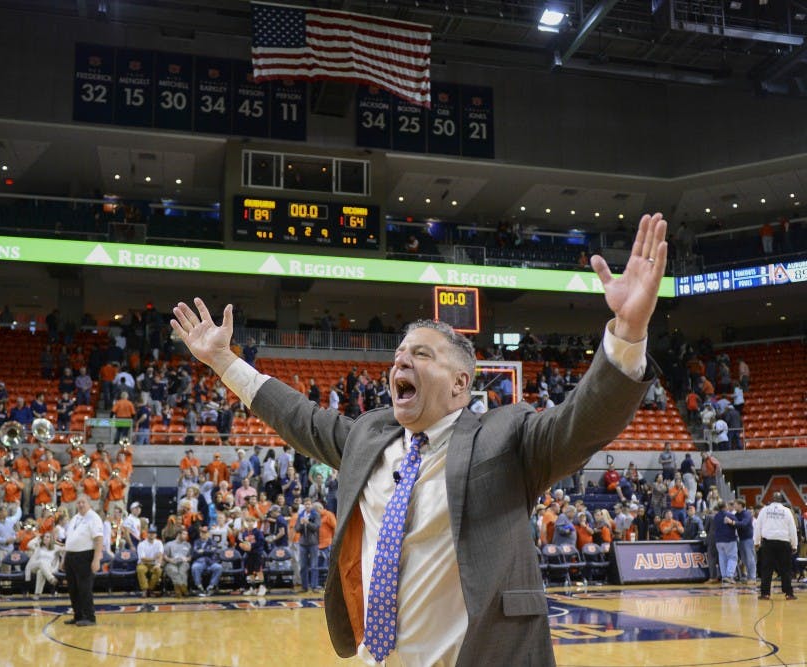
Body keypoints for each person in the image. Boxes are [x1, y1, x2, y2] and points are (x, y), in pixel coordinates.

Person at [169, 214, 666, 665]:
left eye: (422, 354)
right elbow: (298, 416)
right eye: (400, 353)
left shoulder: (506, 435)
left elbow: (585, 421)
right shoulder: (369, 435)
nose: (401, 361)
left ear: (460, 385)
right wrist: (222, 361)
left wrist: (628, 331)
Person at [64, 497, 103, 626]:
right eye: (78, 502)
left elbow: (98, 539)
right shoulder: (75, 518)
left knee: (84, 588)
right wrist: (65, 558)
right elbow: (69, 539)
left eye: (83, 502)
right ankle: (78, 615)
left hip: (85, 556)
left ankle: (89, 617)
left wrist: (96, 559)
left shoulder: (94, 518)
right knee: (73, 588)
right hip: (71, 556)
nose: (80, 505)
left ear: (89, 503)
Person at [754, 493, 798, 600]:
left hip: (768, 543)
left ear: (772, 499)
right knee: (785, 569)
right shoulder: (787, 511)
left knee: (767, 569)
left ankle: (765, 593)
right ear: (781, 500)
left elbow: (758, 526)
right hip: (783, 542)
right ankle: (789, 593)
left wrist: (756, 541)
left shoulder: (764, 510)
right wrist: (794, 544)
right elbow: (792, 529)